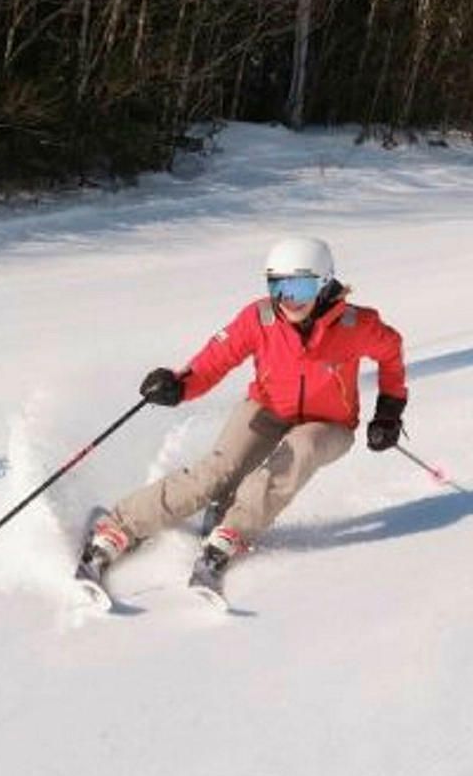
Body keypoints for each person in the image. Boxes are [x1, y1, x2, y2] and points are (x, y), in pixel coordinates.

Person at [76, 236, 409, 598]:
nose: (289, 298)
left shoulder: (355, 325)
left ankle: (231, 533)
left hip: (328, 424)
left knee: (299, 451)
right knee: (216, 473)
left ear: (325, 282)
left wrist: (388, 413)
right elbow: (214, 361)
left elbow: (391, 354)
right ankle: (117, 527)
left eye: (300, 285)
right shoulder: (260, 317)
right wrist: (178, 386)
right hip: (267, 407)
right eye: (278, 286)